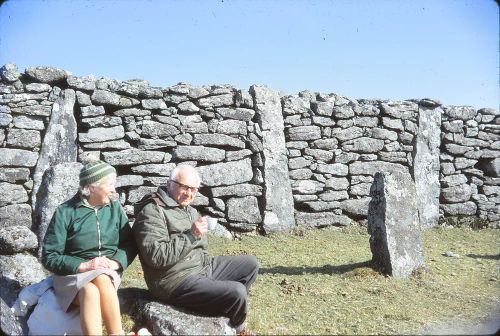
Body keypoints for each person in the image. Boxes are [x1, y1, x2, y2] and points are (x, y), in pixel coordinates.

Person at [133, 164, 259, 335]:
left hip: (202, 269)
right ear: (170, 183)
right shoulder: (152, 212)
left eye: (194, 190)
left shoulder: (189, 210)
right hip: (174, 281)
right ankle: (238, 328)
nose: (190, 194)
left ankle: (219, 305)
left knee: (250, 264)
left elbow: (202, 247)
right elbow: (156, 257)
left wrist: (206, 263)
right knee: (237, 292)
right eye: (185, 187)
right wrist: (191, 235)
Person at [42, 160, 137, 336]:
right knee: (90, 291)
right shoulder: (65, 212)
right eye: (110, 184)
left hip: (106, 273)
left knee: (100, 277)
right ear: (92, 187)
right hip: (72, 274)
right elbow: (49, 256)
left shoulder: (115, 209)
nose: (114, 190)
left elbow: (129, 244)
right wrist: (85, 266)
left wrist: (116, 263)